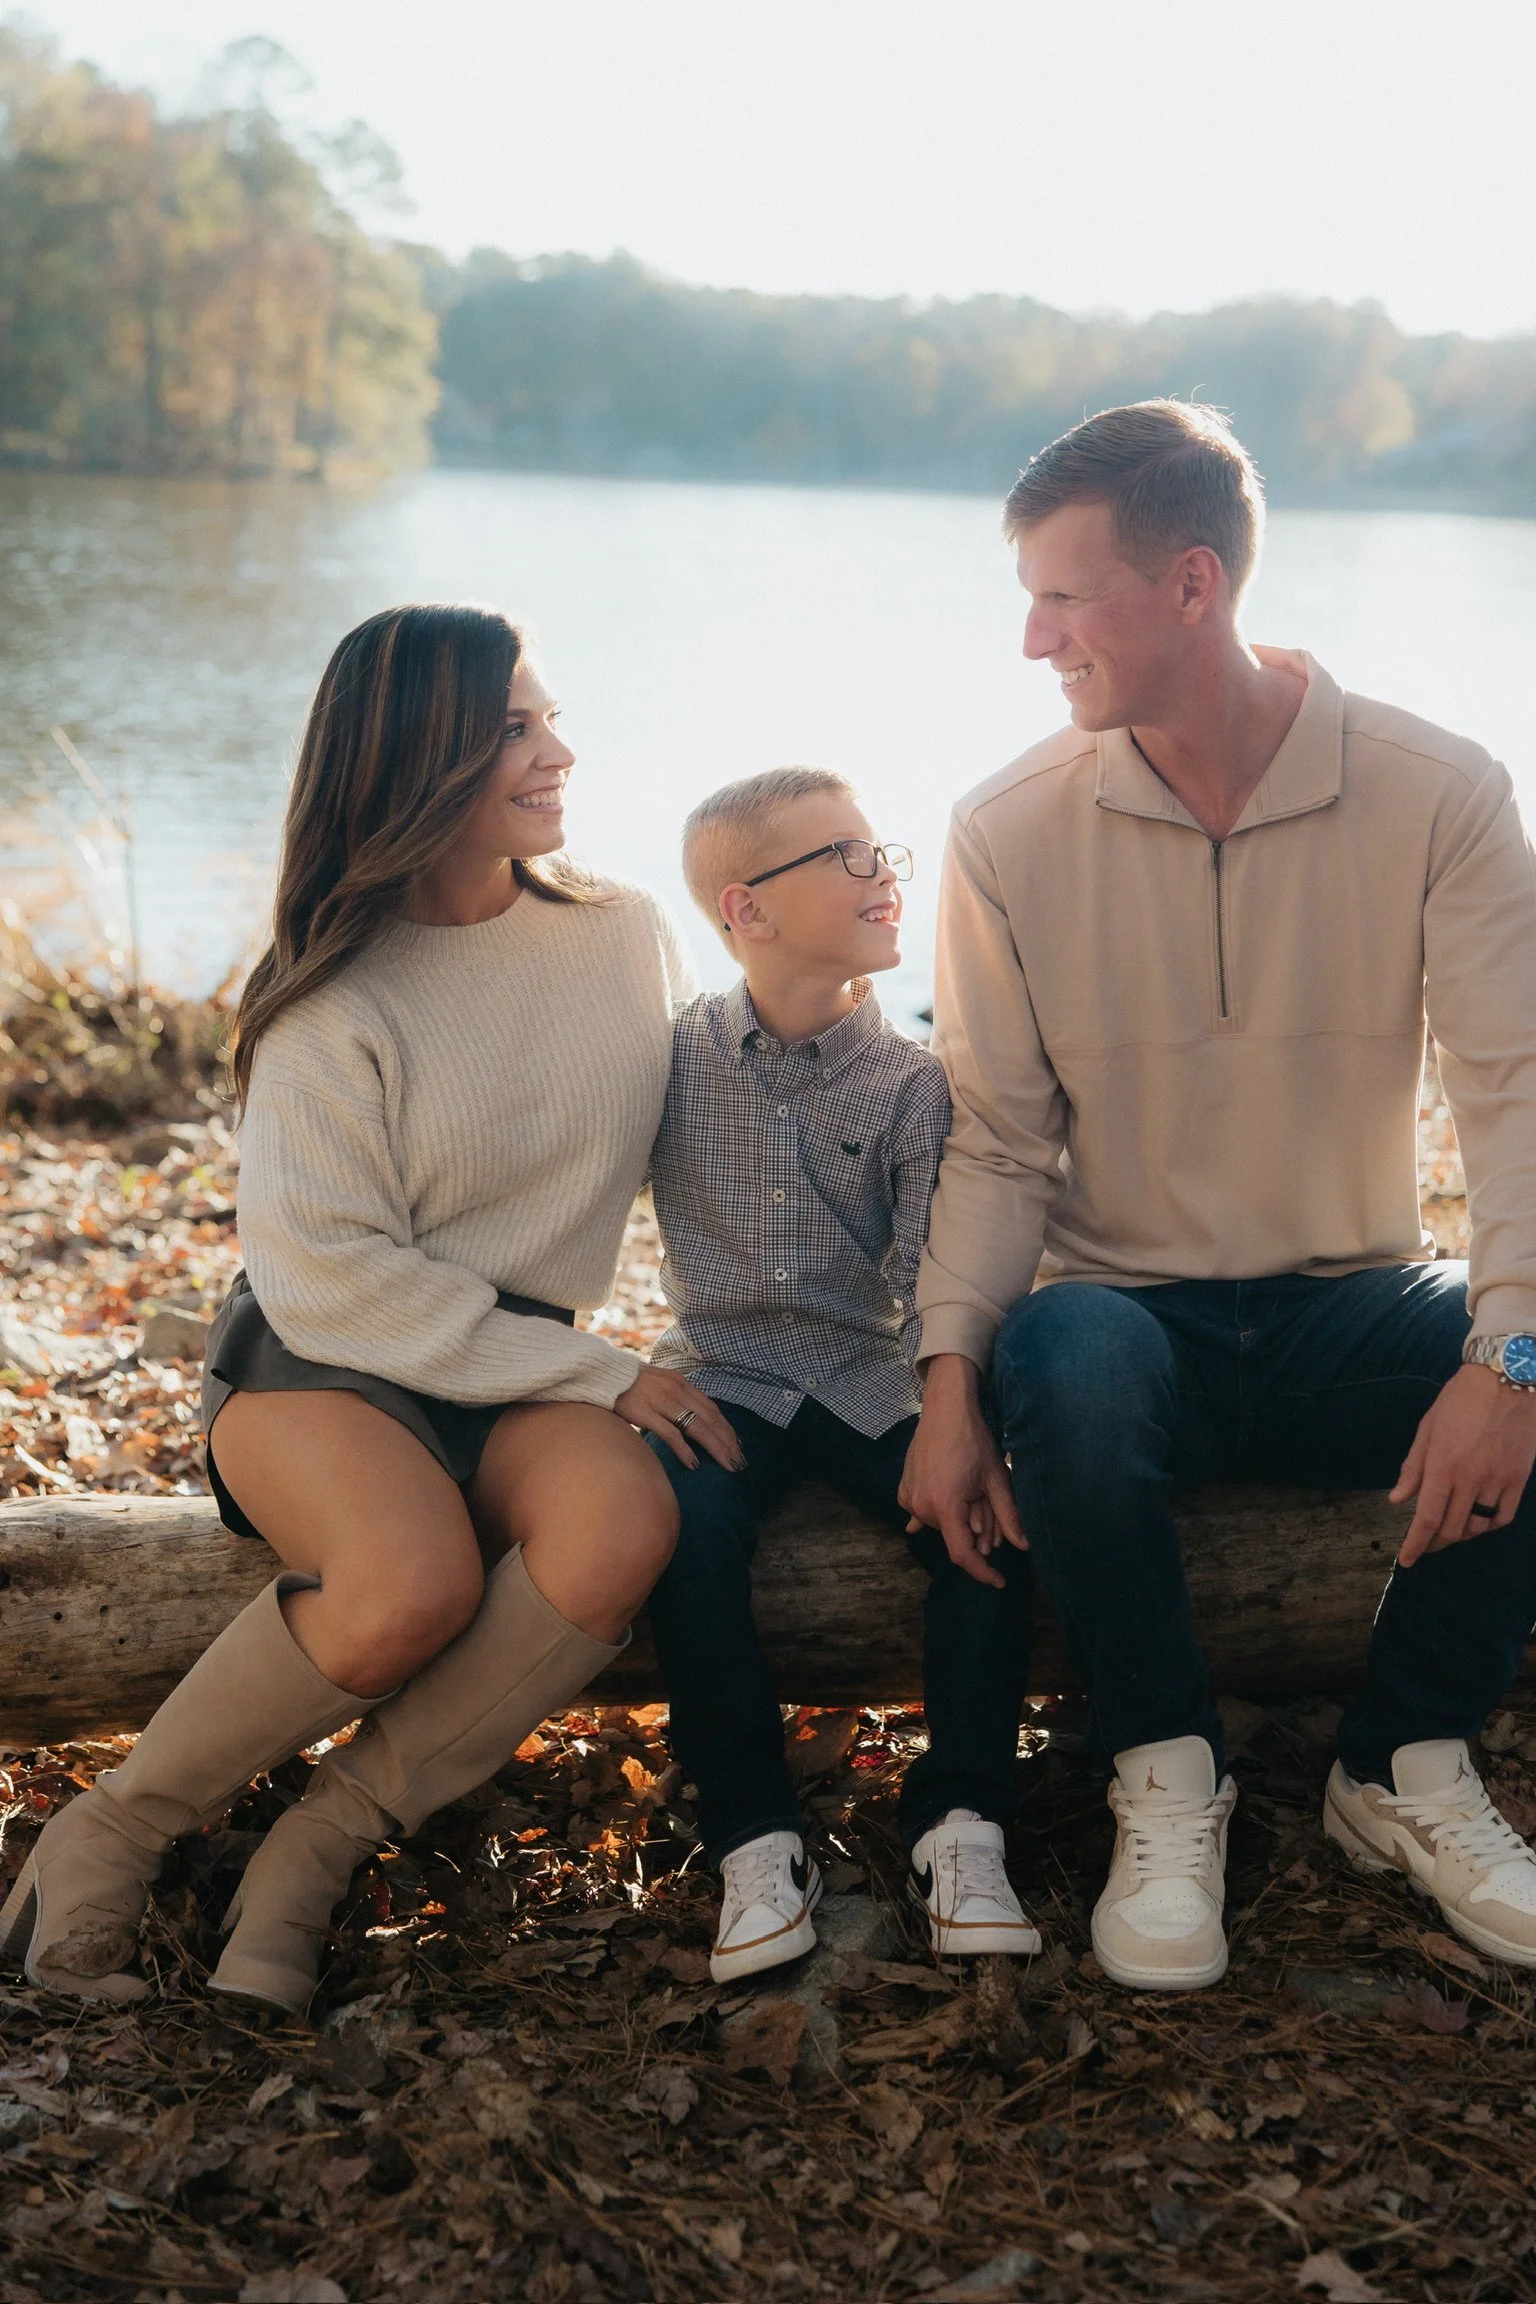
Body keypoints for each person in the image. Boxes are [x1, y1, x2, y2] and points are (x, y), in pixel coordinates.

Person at [0, 602, 741, 2013]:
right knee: (412, 1580)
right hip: (320, 1352)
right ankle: (115, 1828)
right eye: (514, 727)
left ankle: (319, 1847)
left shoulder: (624, 934)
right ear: (420, 755)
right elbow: (328, 1274)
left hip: (516, 1363)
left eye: (552, 716)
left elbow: (711, 1146)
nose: (559, 752)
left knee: (626, 1518)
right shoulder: (330, 999)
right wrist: (589, 1367)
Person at [901, 400, 1536, 1992]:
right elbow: (995, 1141)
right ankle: (1166, 1771)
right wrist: (947, 1381)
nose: (1031, 637)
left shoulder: (1440, 788)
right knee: (1075, 1356)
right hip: (1127, 1333)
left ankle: (1401, 1766)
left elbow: (1517, 1089)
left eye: (1063, 595)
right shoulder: (1003, 829)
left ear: (1194, 585)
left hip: (1352, 1309)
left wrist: (1506, 1359)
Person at [645, 766, 1037, 1981]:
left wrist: (952, 1422)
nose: (883, 876)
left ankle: (962, 1820)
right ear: (745, 911)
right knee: (677, 1527)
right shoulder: (669, 1059)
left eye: (881, 850)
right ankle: (756, 1839)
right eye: (844, 857)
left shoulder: (917, 1085)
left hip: (868, 1372)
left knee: (984, 1524)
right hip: (720, 1371)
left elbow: (936, 1274)